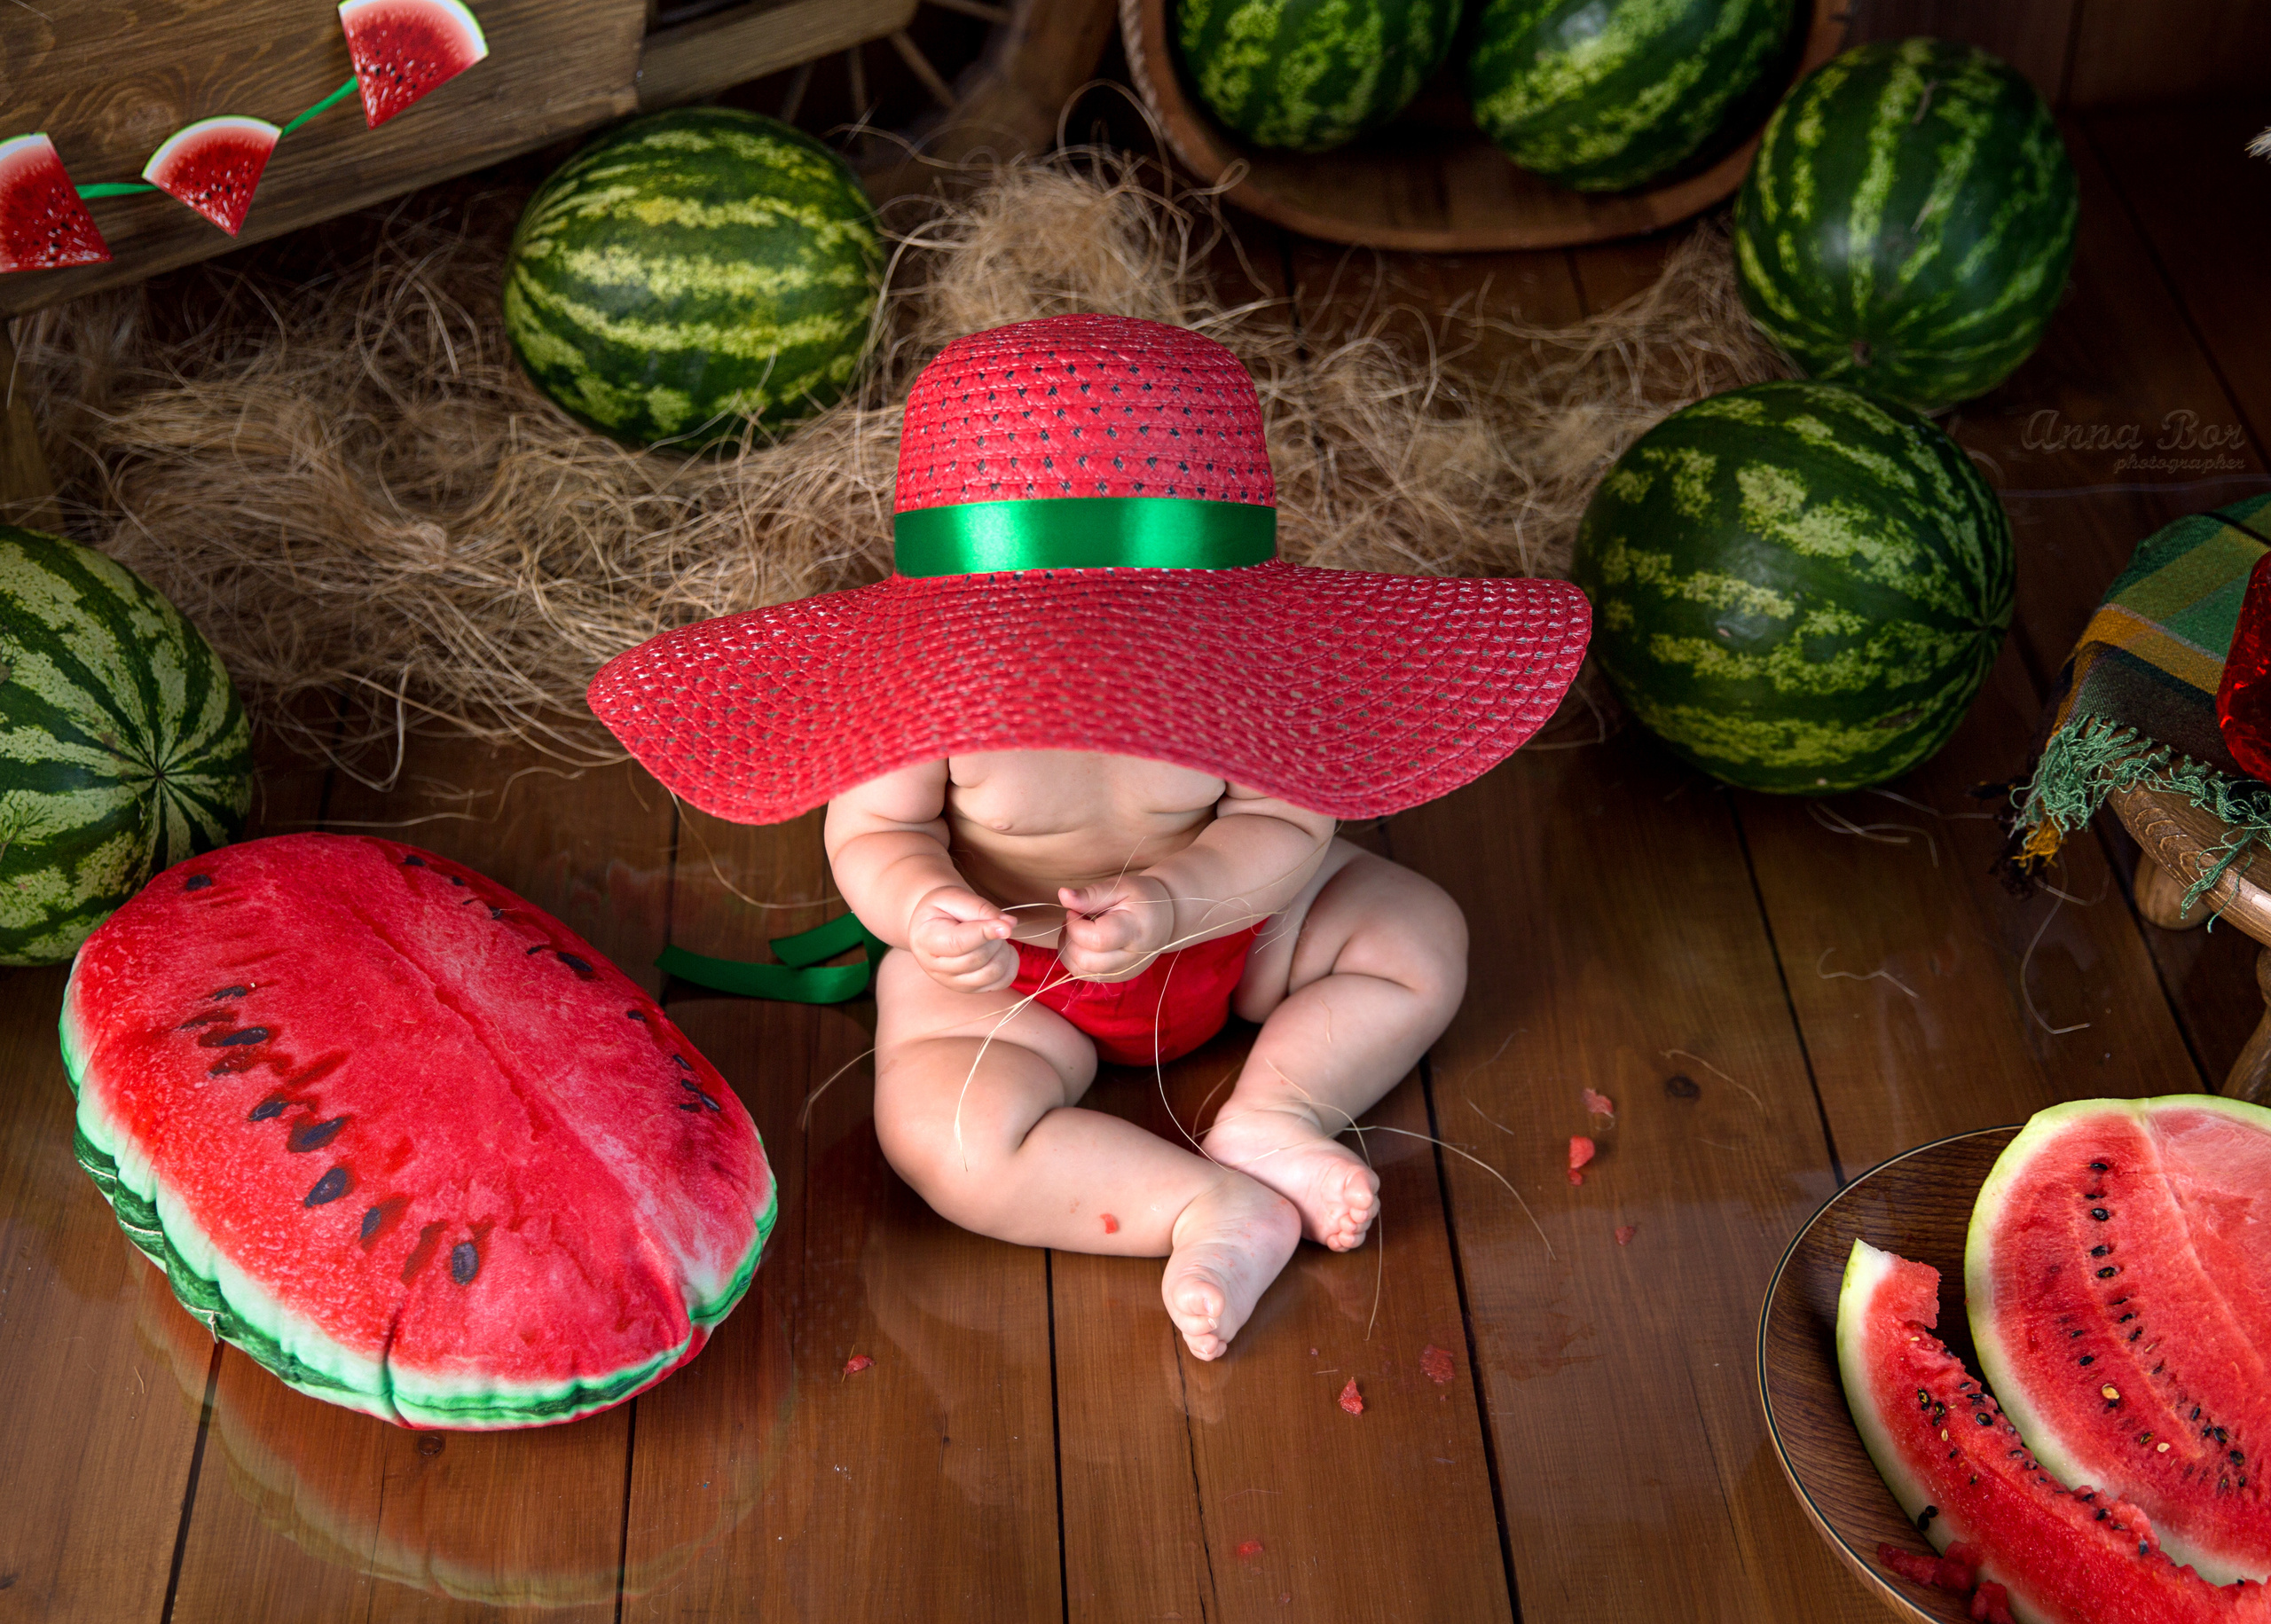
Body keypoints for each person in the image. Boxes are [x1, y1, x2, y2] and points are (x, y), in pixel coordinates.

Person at [591, 313, 1589, 1359]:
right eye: (1048, 617)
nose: (1088, 646)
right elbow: (876, 834)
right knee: (946, 1138)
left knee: (1415, 936)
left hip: (1232, 929)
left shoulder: (1236, 664)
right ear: (955, 617)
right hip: (1004, 976)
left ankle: (1279, 1112)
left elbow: (1284, 821)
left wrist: (1179, 900)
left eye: (1128, 621)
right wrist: (922, 908)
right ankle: (1203, 1209)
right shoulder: (928, 686)